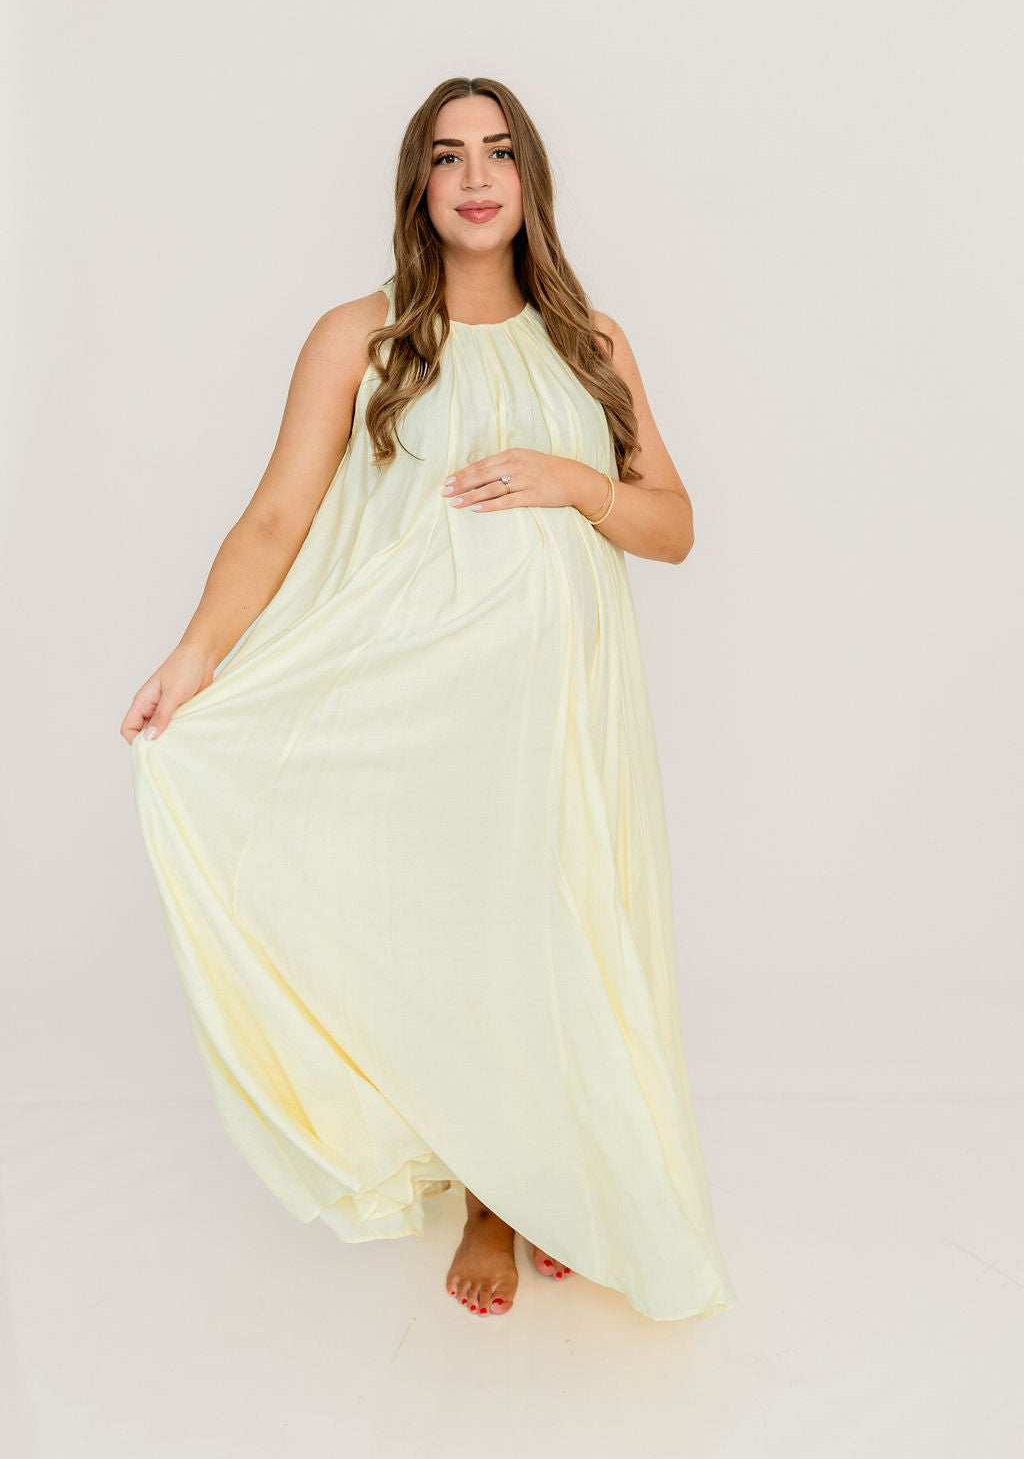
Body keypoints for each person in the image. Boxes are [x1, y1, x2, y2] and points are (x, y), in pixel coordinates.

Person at [120, 75, 738, 1324]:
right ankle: (488, 1194)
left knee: (557, 927)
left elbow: (672, 527)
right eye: (448, 155)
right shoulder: (362, 336)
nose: (474, 176)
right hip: (424, 699)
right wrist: (193, 656)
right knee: (459, 927)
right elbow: (277, 515)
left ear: (528, 179)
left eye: (497, 152)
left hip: (561, 706)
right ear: (418, 184)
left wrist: (573, 480)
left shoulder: (592, 341)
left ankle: (551, 1179)